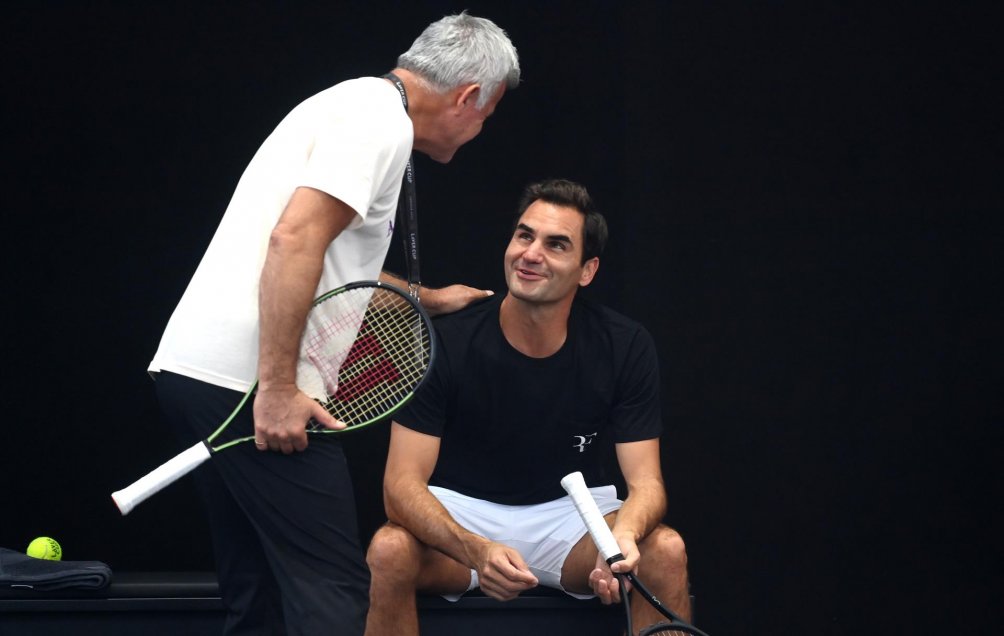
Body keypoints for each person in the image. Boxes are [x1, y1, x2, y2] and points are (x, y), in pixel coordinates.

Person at [147, 13, 520, 636]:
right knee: (335, 593)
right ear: (469, 97)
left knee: (257, 591)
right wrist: (277, 389)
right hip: (248, 387)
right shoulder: (380, 124)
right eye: (488, 114)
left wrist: (425, 297)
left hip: (193, 374)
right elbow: (294, 241)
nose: (482, 127)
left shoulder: (348, 103)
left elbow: (326, 267)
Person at [364, 179, 692, 636]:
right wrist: (475, 548)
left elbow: (647, 483)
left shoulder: (624, 344)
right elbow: (399, 486)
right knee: (389, 550)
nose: (531, 254)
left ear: (586, 270)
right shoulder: (446, 340)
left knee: (666, 550)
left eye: (556, 245)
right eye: (524, 235)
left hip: (570, 521)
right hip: (463, 518)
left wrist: (624, 538)